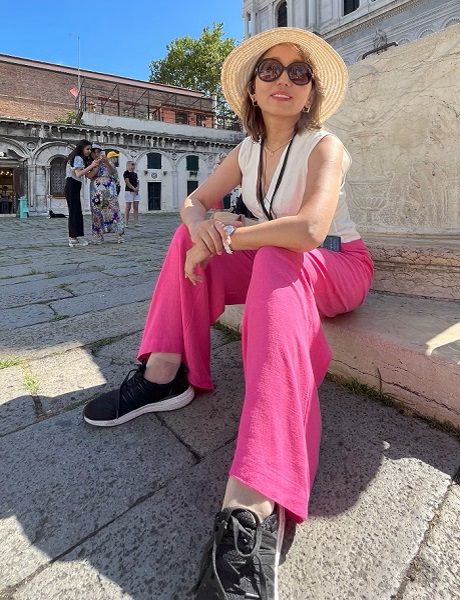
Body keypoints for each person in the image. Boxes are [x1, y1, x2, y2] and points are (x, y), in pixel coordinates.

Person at [83, 27, 373, 599]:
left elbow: (309, 230)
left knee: (272, 254)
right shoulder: (244, 151)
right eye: (270, 69)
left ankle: (255, 499)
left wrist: (228, 237)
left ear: (310, 92)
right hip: (275, 257)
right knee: (188, 239)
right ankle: (165, 375)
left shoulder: (324, 146)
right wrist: (200, 226)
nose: (284, 79)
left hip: (337, 265)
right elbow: (195, 202)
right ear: (253, 88)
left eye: (299, 72)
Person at [65, 139, 100, 247]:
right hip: (72, 184)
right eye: (87, 149)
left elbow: (87, 175)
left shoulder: (79, 159)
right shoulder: (77, 158)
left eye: (90, 149)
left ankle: (75, 235)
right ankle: (72, 237)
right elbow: (78, 173)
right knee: (74, 211)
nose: (89, 151)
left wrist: (95, 166)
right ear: (81, 148)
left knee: (76, 210)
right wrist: (91, 165)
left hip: (74, 185)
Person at [87, 144, 124, 244]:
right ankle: (99, 236)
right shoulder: (89, 163)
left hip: (109, 189)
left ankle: (119, 234)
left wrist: (106, 162)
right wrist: (97, 165)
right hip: (96, 191)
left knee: (114, 211)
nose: (96, 154)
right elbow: (90, 176)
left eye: (98, 152)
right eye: (94, 152)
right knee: (97, 212)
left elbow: (112, 173)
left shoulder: (108, 162)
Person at [123, 161, 141, 227]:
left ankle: (136, 223)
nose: (133, 166)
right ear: (128, 165)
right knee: (128, 207)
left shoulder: (135, 174)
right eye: (132, 164)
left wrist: (137, 188)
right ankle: (126, 223)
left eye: (134, 164)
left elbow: (137, 182)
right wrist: (133, 188)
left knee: (136, 207)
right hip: (129, 191)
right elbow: (127, 182)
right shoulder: (126, 173)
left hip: (135, 192)